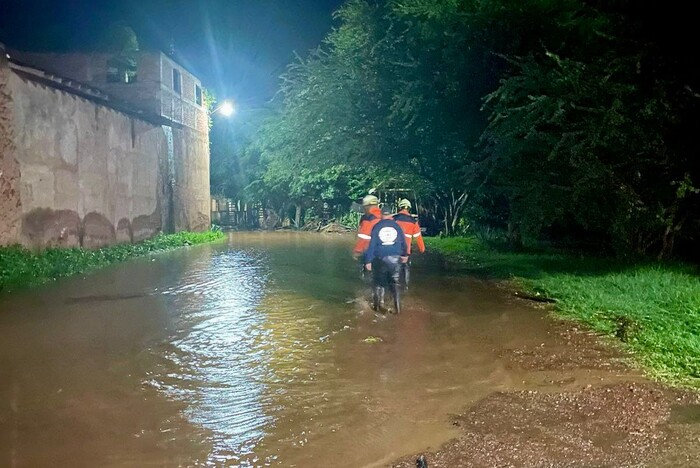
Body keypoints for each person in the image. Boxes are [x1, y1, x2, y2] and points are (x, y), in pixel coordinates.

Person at [364, 206, 408, 313]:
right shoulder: (397, 226)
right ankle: (397, 309)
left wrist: (368, 260)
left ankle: (377, 308)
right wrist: (404, 254)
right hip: (395, 258)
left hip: (380, 258)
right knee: (395, 284)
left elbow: (372, 245)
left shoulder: (377, 226)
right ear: (391, 214)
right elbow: (403, 242)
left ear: (381, 215)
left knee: (378, 283)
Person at [392, 198, 425, 288]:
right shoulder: (413, 222)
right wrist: (422, 249)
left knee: (394, 268)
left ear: (400, 207)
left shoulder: (394, 219)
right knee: (406, 268)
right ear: (409, 208)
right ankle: (406, 286)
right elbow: (418, 238)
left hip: (394, 249)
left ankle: (394, 286)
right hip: (406, 250)